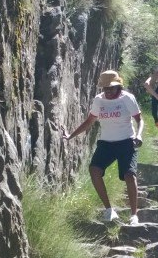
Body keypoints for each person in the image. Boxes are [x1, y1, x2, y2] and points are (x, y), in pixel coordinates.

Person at [61, 69, 143, 225]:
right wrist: (70, 135)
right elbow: (90, 121)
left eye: (111, 88)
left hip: (127, 141)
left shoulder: (127, 99)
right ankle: (109, 210)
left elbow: (140, 120)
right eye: (105, 88)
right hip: (106, 142)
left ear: (119, 86)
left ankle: (134, 215)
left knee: (129, 175)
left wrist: (139, 135)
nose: (108, 91)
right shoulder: (99, 100)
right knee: (94, 170)